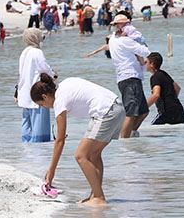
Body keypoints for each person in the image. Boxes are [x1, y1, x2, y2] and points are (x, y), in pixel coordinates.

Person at [31, 73, 123, 206]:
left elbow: (60, 140)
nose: (44, 107)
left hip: (105, 112)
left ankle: (99, 197)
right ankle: (95, 194)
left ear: (45, 97)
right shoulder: (65, 84)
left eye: (41, 104)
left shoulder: (59, 101)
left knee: (81, 156)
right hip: (117, 108)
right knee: (93, 154)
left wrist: (51, 171)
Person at [108, 17, 151, 139]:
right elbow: (145, 51)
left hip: (127, 77)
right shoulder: (125, 41)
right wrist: (138, 39)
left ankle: (130, 135)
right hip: (129, 77)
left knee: (143, 111)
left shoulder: (113, 39)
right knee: (131, 111)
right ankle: (124, 140)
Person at [17, 28, 55, 143]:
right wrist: (54, 75)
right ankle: (39, 155)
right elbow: (44, 68)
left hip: (24, 93)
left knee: (26, 125)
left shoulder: (24, 52)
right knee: (39, 129)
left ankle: (27, 151)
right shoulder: (37, 52)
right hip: (37, 93)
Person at [144, 52, 184, 125]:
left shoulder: (154, 77)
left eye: (146, 62)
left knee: (152, 132)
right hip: (179, 111)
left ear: (152, 64)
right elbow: (177, 88)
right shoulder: (164, 73)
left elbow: (156, 95)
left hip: (167, 113)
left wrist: (143, 107)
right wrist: (171, 99)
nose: (144, 64)